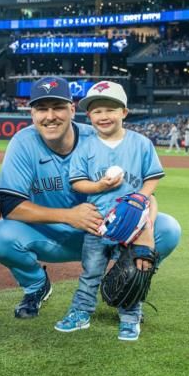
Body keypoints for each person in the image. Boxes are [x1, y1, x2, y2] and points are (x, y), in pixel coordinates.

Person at [0, 76, 181, 323]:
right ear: (32, 113)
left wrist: (146, 227)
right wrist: (69, 216)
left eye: (57, 107)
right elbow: (9, 205)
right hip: (51, 238)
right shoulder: (23, 143)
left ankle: (125, 282)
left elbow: (143, 195)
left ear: (71, 109)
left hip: (107, 236)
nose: (50, 116)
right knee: (1, 237)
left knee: (167, 229)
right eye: (41, 109)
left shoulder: (99, 138)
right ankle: (36, 286)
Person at [54, 81, 163, 341]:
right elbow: (77, 182)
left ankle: (130, 316)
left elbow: (153, 177)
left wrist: (140, 198)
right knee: (90, 271)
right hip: (98, 223)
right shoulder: (85, 147)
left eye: (110, 110)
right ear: (89, 115)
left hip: (132, 226)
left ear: (124, 112)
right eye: (97, 111)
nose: (103, 116)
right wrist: (100, 185)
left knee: (131, 271)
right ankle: (81, 312)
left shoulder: (141, 143)